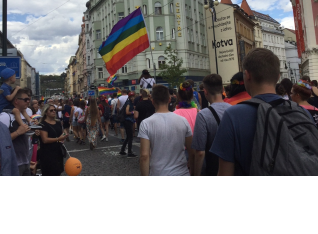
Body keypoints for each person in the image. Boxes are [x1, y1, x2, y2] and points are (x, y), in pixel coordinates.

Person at [210, 48, 315, 176]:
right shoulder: (301, 112)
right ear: (277, 77)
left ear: (247, 75)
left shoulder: (233, 116)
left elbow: (224, 173)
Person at [138, 85, 194, 176]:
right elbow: (192, 151)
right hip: (181, 172)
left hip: (158, 172)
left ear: (153, 101)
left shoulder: (146, 123)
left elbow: (144, 156)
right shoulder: (183, 121)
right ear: (169, 100)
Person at [192, 74, 232, 176]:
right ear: (222, 89)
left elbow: (200, 152)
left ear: (205, 91)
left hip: (213, 169)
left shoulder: (203, 115)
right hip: (233, 168)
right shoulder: (234, 110)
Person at [0, 89, 35, 176]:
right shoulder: (5, 116)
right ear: (16, 101)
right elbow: (1, 141)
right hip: (13, 164)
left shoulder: (23, 114)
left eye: (29, 99)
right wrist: (18, 132)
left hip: (25, 161)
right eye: (25, 99)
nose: (28, 101)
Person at [173, 82, 198, 172]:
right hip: (197, 149)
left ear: (178, 96)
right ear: (192, 96)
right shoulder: (198, 112)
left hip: (182, 151)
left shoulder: (175, 114)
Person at [39, 104, 68, 176]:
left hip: (58, 152)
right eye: (51, 110)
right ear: (46, 112)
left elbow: (64, 132)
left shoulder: (58, 122)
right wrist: (58, 139)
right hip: (47, 153)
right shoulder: (43, 124)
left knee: (58, 172)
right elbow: (45, 140)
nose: (54, 111)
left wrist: (63, 136)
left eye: (54, 110)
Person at [119, 92, 138, 158]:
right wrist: (133, 112)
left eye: (133, 96)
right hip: (128, 121)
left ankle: (122, 150)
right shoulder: (128, 103)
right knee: (130, 137)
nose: (133, 98)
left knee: (128, 137)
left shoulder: (129, 102)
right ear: (129, 97)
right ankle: (129, 152)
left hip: (127, 120)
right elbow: (127, 112)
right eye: (131, 97)